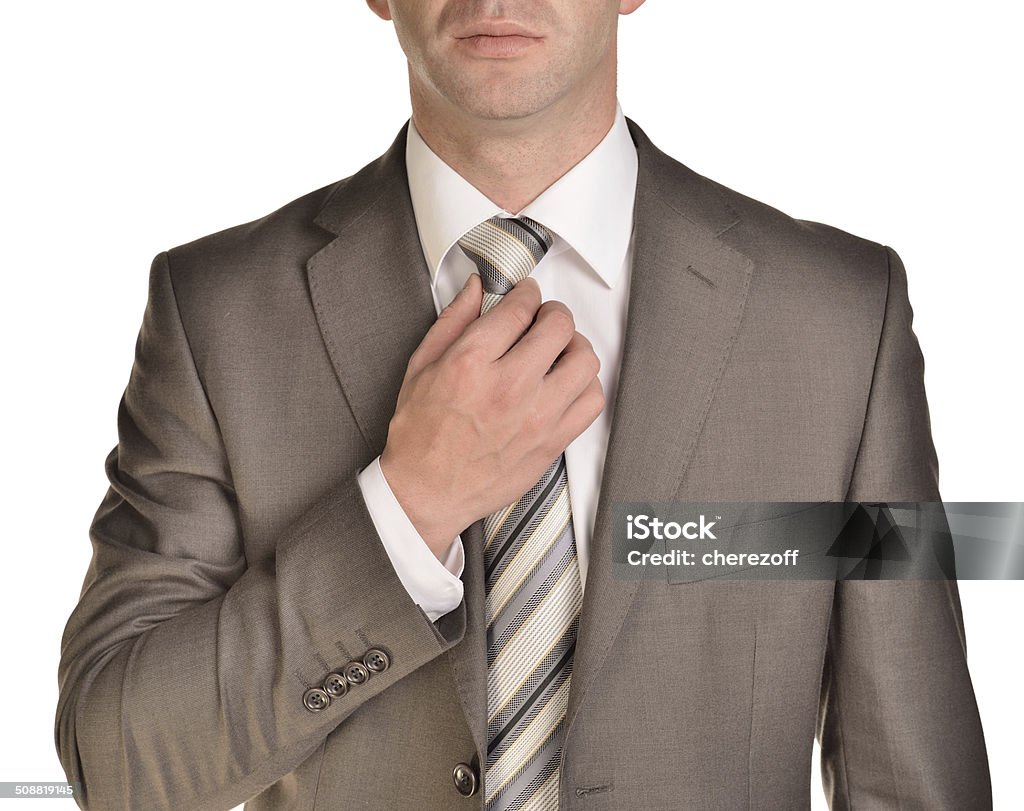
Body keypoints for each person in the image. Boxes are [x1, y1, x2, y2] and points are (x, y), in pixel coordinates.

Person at [55, 1, 992, 809]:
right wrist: (404, 510)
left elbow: (913, 779)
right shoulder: (216, 314)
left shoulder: (838, 318)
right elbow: (117, 765)